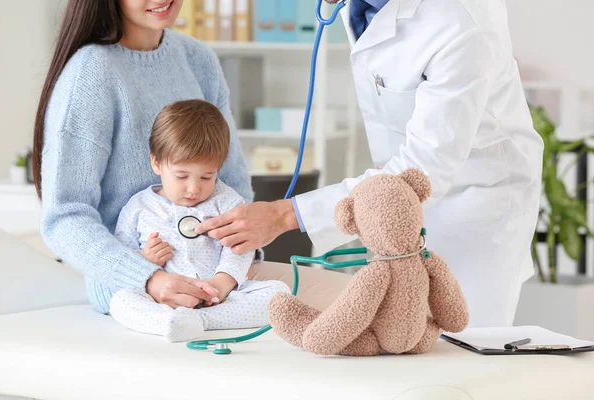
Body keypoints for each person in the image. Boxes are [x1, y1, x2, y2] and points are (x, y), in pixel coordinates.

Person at [195, 0, 544, 328]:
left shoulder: (462, 20)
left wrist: (284, 215)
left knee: (463, 344)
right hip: (397, 203)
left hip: (476, 204)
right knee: (404, 337)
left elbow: (424, 168)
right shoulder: (361, 6)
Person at [33, 0, 254, 314]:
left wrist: (232, 268)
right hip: (132, 287)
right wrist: (148, 277)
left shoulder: (197, 59)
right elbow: (64, 218)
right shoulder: (90, 74)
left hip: (217, 279)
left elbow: (233, 185)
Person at [109, 100, 289, 342]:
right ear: (156, 163)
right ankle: (167, 322)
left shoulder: (227, 201)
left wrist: (221, 284)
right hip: (161, 299)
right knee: (121, 301)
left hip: (218, 298)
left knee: (279, 294)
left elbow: (240, 248)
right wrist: (144, 261)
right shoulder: (138, 207)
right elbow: (121, 255)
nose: (194, 188)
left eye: (207, 176)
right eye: (182, 176)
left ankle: (203, 321)